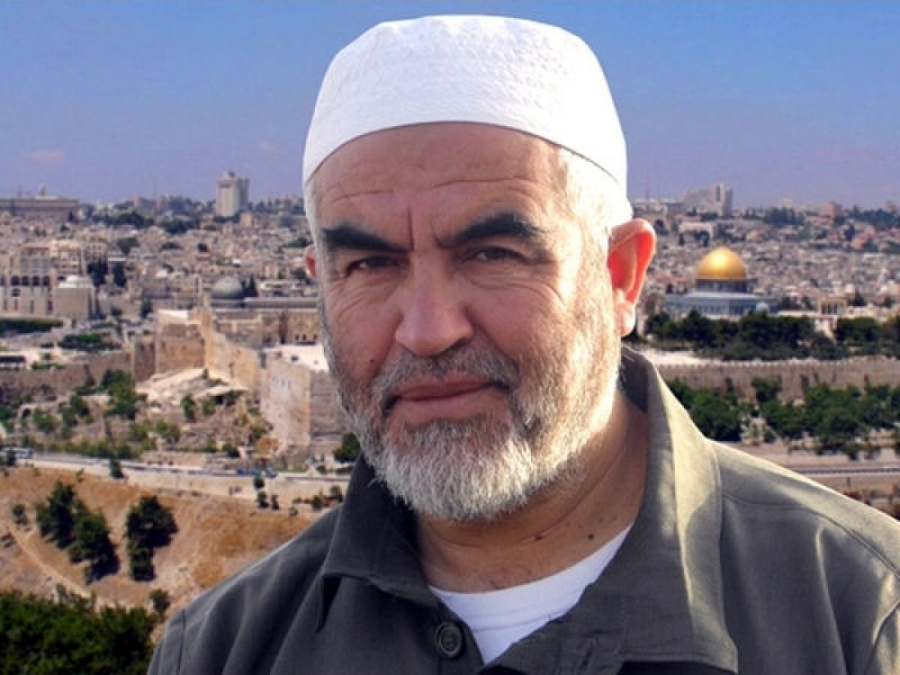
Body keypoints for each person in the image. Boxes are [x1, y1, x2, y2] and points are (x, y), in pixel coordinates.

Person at [150, 15, 900, 674]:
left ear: (620, 277)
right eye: (371, 265)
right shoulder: (220, 651)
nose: (428, 330)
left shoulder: (860, 618)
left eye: (493, 254)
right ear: (321, 285)